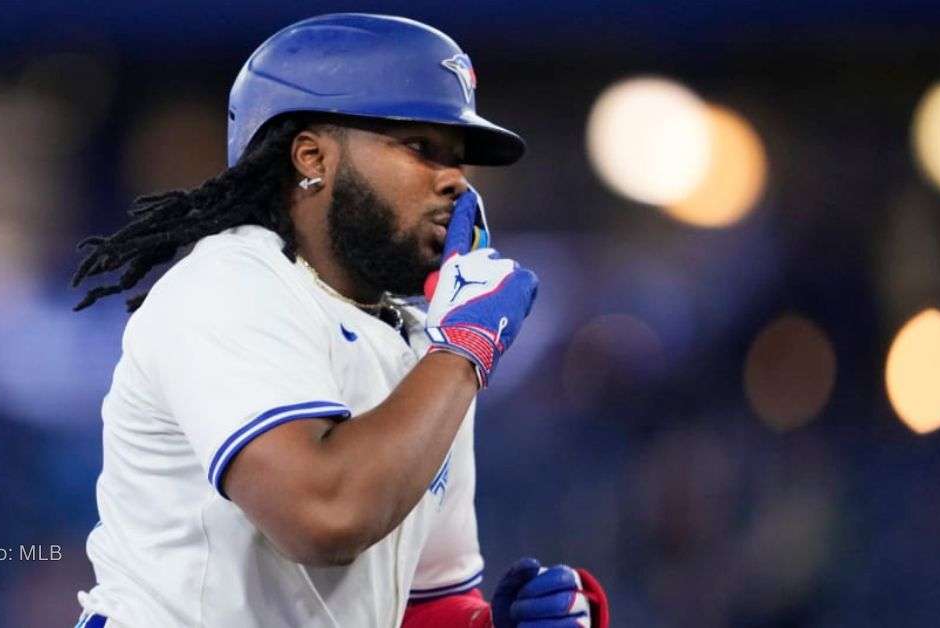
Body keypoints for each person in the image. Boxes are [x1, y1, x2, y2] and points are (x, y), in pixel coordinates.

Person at [70, 13, 608, 627]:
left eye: (458, 158)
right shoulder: (229, 285)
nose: (456, 181)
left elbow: (423, 606)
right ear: (311, 157)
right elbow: (323, 517)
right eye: (420, 148)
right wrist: (465, 349)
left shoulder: (428, 345)